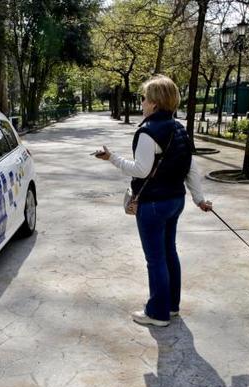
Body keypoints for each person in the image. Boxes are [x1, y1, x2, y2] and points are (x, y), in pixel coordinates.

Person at [95, 75, 213, 327]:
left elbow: (140, 169)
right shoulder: (179, 128)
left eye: (145, 98)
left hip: (153, 205)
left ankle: (157, 313)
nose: (142, 102)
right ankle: (171, 307)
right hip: (175, 202)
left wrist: (112, 158)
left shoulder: (148, 132)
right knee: (169, 253)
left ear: (155, 104)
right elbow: (190, 167)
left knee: (156, 259)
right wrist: (199, 199)